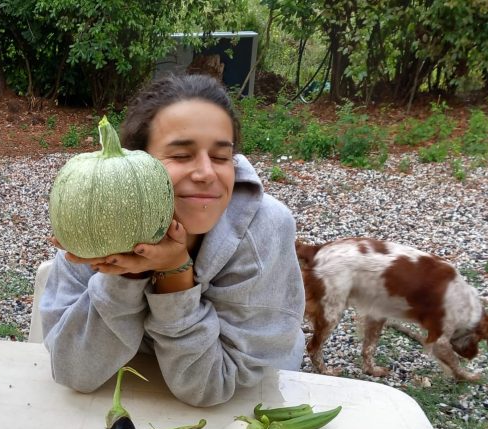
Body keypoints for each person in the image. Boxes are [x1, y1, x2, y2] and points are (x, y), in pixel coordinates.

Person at [38, 73, 306, 407]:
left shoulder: (266, 228)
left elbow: (212, 387)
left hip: (251, 403)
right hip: (132, 398)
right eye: (181, 156)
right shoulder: (93, 209)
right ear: (137, 162)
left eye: (222, 157)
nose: (207, 173)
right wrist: (126, 273)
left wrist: (175, 275)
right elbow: (74, 371)